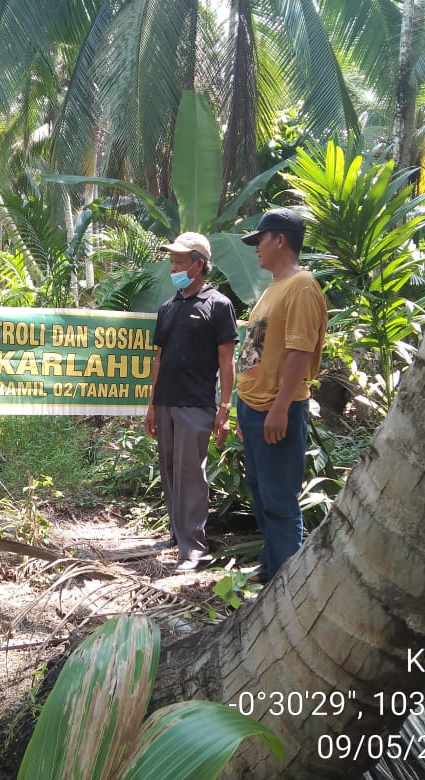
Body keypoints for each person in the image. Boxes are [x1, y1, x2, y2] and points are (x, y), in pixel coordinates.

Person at [236, 208, 327, 583]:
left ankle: (288, 584)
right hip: (254, 407)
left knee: (279, 498)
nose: (256, 247)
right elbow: (256, 348)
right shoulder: (274, 288)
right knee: (261, 491)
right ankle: (273, 567)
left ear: (280, 239)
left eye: (260, 239)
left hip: (275, 407)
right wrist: (243, 406)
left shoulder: (301, 286)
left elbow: (300, 352)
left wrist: (280, 408)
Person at [144, 232, 238, 573]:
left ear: (198, 264)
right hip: (166, 402)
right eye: (172, 261)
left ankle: (194, 549)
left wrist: (224, 409)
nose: (174, 267)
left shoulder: (219, 305)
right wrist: (152, 405)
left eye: (180, 261)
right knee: (170, 472)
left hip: (196, 404)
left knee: (190, 476)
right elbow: (159, 360)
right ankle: (177, 535)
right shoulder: (168, 307)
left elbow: (227, 360)